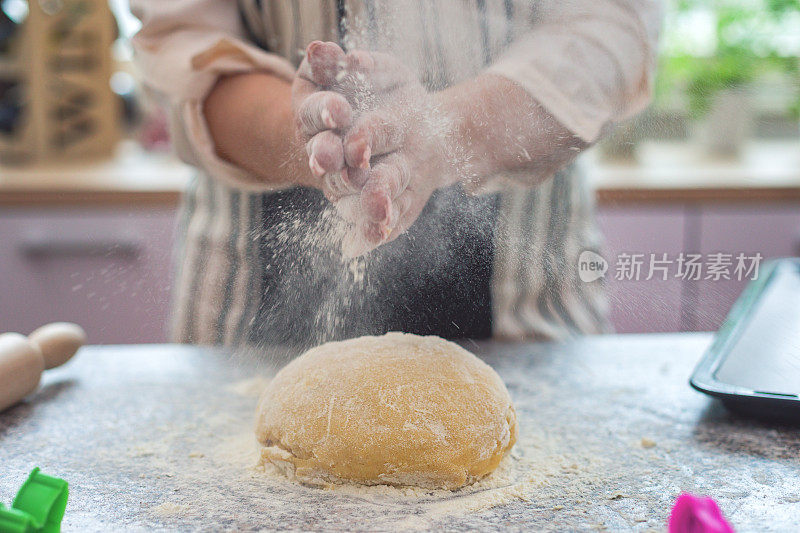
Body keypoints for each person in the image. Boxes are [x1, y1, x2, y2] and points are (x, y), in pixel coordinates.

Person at [131, 0, 661, 347]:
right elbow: (184, 47)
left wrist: (441, 133)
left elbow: (610, 32)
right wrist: (317, 140)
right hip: (247, 318)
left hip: (527, 313)